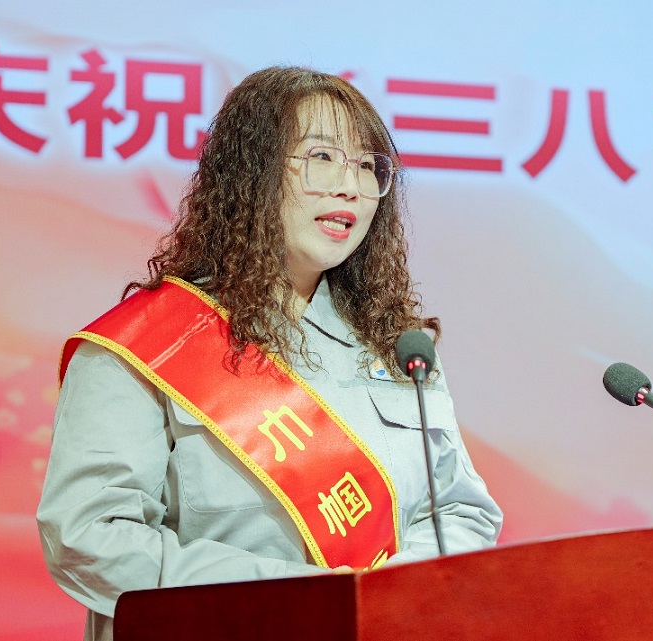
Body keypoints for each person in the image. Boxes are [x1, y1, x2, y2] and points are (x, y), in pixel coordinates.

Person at [36, 66, 502, 641]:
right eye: (322, 157)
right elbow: (91, 537)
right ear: (252, 172)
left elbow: (461, 511)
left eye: (367, 165)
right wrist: (304, 603)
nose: (350, 186)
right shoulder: (146, 346)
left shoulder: (396, 344)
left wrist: (392, 596)